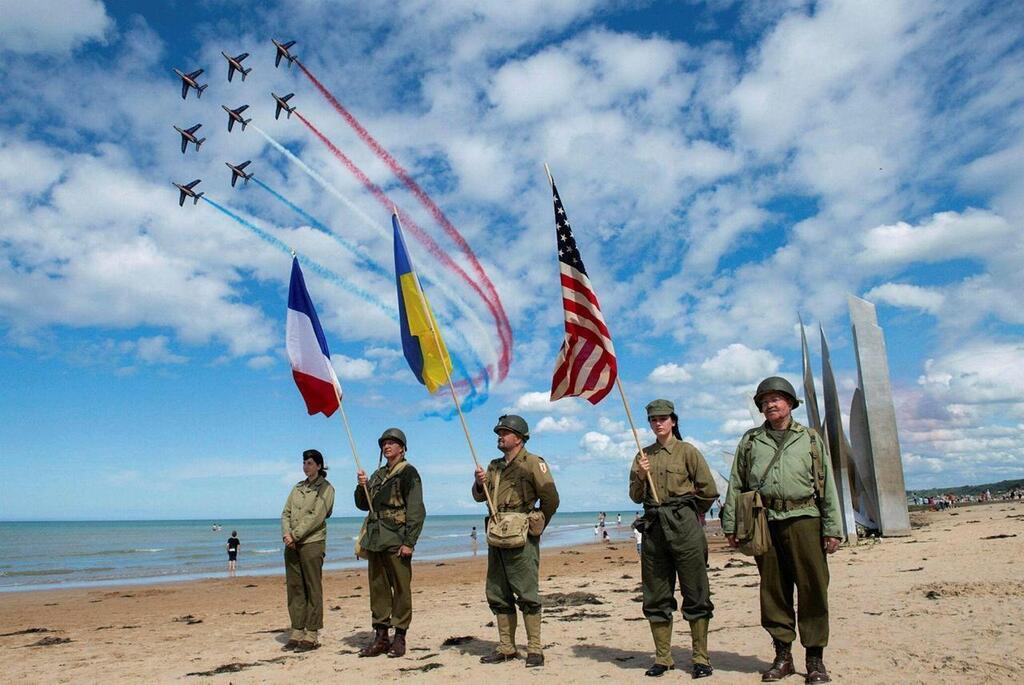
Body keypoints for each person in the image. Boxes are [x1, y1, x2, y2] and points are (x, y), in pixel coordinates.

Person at [721, 377, 843, 684]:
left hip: (806, 519)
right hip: (765, 522)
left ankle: (815, 659)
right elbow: (736, 484)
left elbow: (827, 485)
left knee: (813, 587)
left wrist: (832, 529)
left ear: (790, 403)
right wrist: (732, 525)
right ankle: (783, 656)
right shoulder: (750, 441)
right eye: (764, 401)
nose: (769, 405)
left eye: (775, 399)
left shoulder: (811, 439)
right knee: (773, 590)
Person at [630, 399, 718, 679]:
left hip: (684, 526)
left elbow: (708, 490)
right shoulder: (643, 455)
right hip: (655, 528)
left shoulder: (687, 451)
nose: (658, 423)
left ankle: (701, 658)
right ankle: (663, 657)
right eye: (654, 419)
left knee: (695, 591)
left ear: (673, 421)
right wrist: (642, 476)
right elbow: (634, 495)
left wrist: (690, 515)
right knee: (656, 593)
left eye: (663, 418)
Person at [473, 414, 559, 667]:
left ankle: (534, 649)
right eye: (499, 432)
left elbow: (551, 498)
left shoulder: (533, 463)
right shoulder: (494, 466)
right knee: (497, 592)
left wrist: (538, 524)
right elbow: (481, 498)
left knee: (527, 593)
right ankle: (506, 647)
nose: (500, 436)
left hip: (522, 535)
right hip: (497, 533)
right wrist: (479, 484)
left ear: (519, 438)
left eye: (505, 432)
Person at [354, 428, 425, 659]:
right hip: (376, 539)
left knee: (401, 588)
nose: (387, 447)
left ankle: (400, 637)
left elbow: (416, 510)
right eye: (384, 443)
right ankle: (381, 636)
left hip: (396, 538)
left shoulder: (408, 473)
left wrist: (409, 542)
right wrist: (361, 486)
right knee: (378, 589)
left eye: (392, 443)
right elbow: (363, 505)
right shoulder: (376, 475)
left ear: (402, 448)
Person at [280, 449, 335, 652]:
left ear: (319, 466)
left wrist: (295, 535)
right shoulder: (297, 488)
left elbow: (317, 515)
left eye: (310, 463)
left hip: (312, 542)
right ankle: (297, 630)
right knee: (295, 588)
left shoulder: (326, 488)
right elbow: (286, 513)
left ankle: (311, 634)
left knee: (312, 588)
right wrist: (287, 535)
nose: (306, 466)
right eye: (304, 463)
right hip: (292, 544)